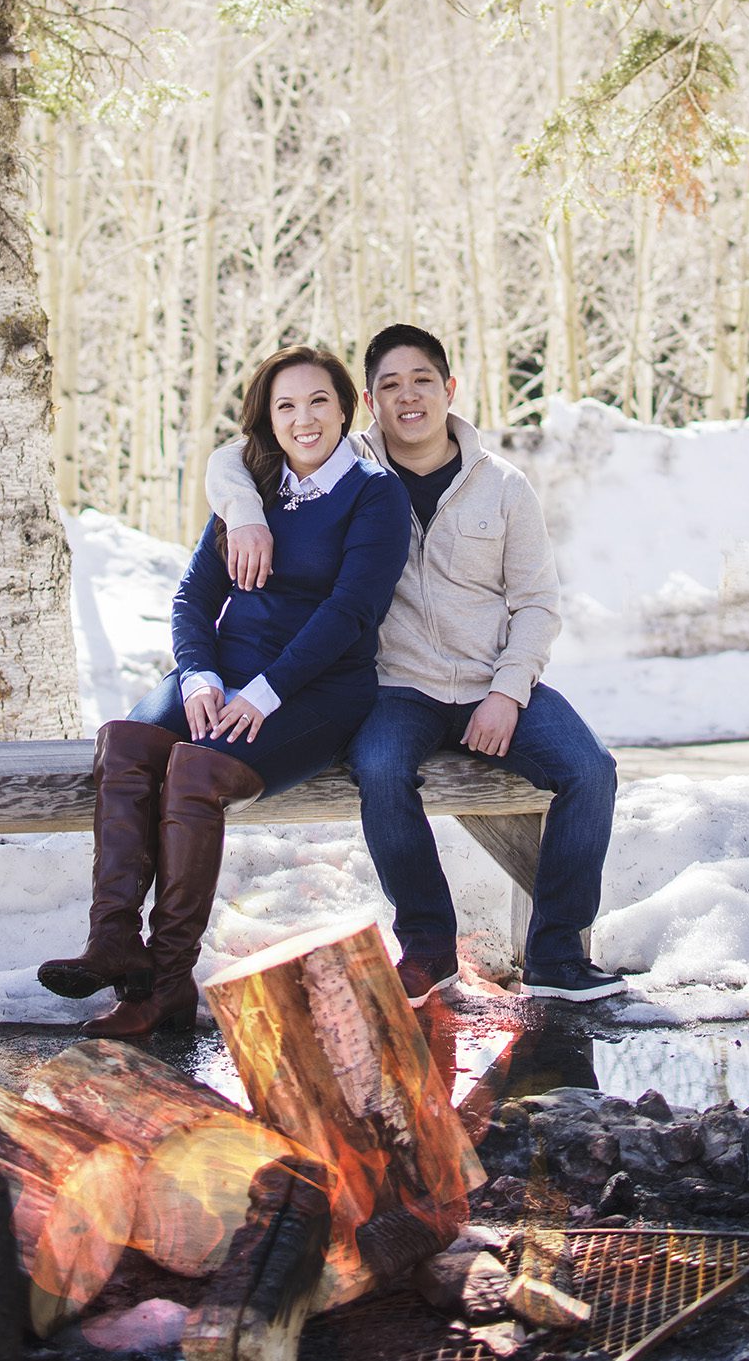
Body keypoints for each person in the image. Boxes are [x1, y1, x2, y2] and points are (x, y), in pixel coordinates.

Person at [207, 322, 622, 1007]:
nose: (408, 397)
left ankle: (556, 952)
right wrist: (245, 508)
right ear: (368, 402)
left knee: (589, 769)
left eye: (421, 380)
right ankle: (429, 945)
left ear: (449, 388)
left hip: (494, 682)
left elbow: (539, 605)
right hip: (399, 687)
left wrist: (507, 692)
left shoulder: (504, 486)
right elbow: (235, 455)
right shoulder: (351, 477)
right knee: (380, 767)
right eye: (389, 385)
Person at [39, 344, 411, 1040]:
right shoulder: (251, 491)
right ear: (267, 420)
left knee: (195, 769)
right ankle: (114, 940)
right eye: (286, 406)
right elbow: (192, 596)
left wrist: (265, 693)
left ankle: (168, 981)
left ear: (349, 408)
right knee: (124, 740)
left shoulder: (374, 493)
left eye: (318, 401)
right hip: (226, 670)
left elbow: (351, 613)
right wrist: (201, 675)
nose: (303, 419)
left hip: (317, 686)